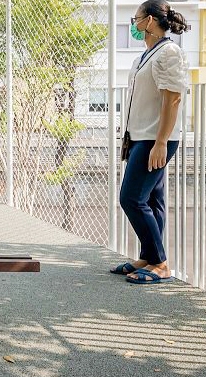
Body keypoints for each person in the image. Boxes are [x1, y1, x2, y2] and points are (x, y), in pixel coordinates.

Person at [110, 0, 189, 285]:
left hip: (154, 138)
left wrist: (161, 142)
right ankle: (148, 257)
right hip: (139, 136)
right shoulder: (146, 55)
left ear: (151, 21)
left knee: (131, 198)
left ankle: (161, 264)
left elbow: (173, 99)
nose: (134, 24)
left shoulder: (169, 53)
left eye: (136, 19)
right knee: (153, 200)